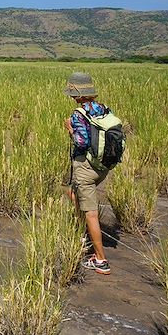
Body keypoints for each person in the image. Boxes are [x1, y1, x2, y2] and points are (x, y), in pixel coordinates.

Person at [63, 72, 112, 276]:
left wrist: (70, 129)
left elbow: (81, 142)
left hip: (86, 167)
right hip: (103, 166)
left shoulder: (78, 114)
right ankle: (82, 233)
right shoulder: (103, 109)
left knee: (90, 212)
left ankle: (101, 260)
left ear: (77, 94)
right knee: (73, 193)